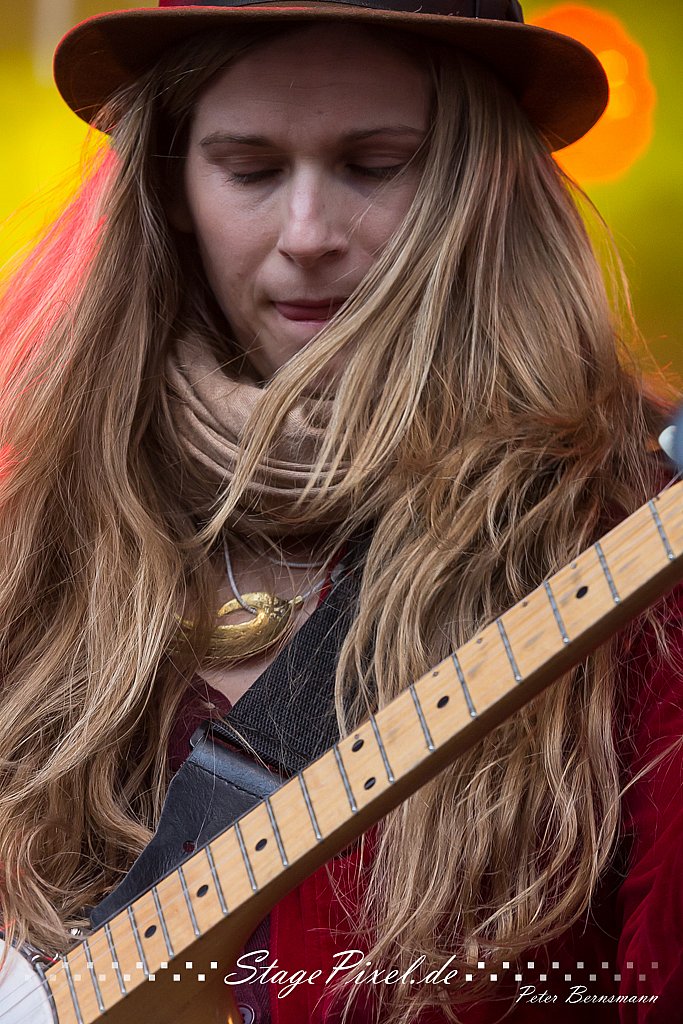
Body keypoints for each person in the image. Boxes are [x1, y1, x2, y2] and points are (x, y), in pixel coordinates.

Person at [0, 1, 680, 1021]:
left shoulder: (635, 535)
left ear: (478, 181)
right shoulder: (31, 521)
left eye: (374, 165)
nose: (308, 234)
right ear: (171, 187)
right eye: (250, 169)